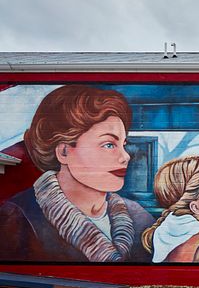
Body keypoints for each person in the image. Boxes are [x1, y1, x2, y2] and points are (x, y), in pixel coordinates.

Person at [0, 85, 154, 262]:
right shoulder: (19, 218)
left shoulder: (140, 218)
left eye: (123, 145)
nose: (125, 156)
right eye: (109, 144)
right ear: (64, 152)